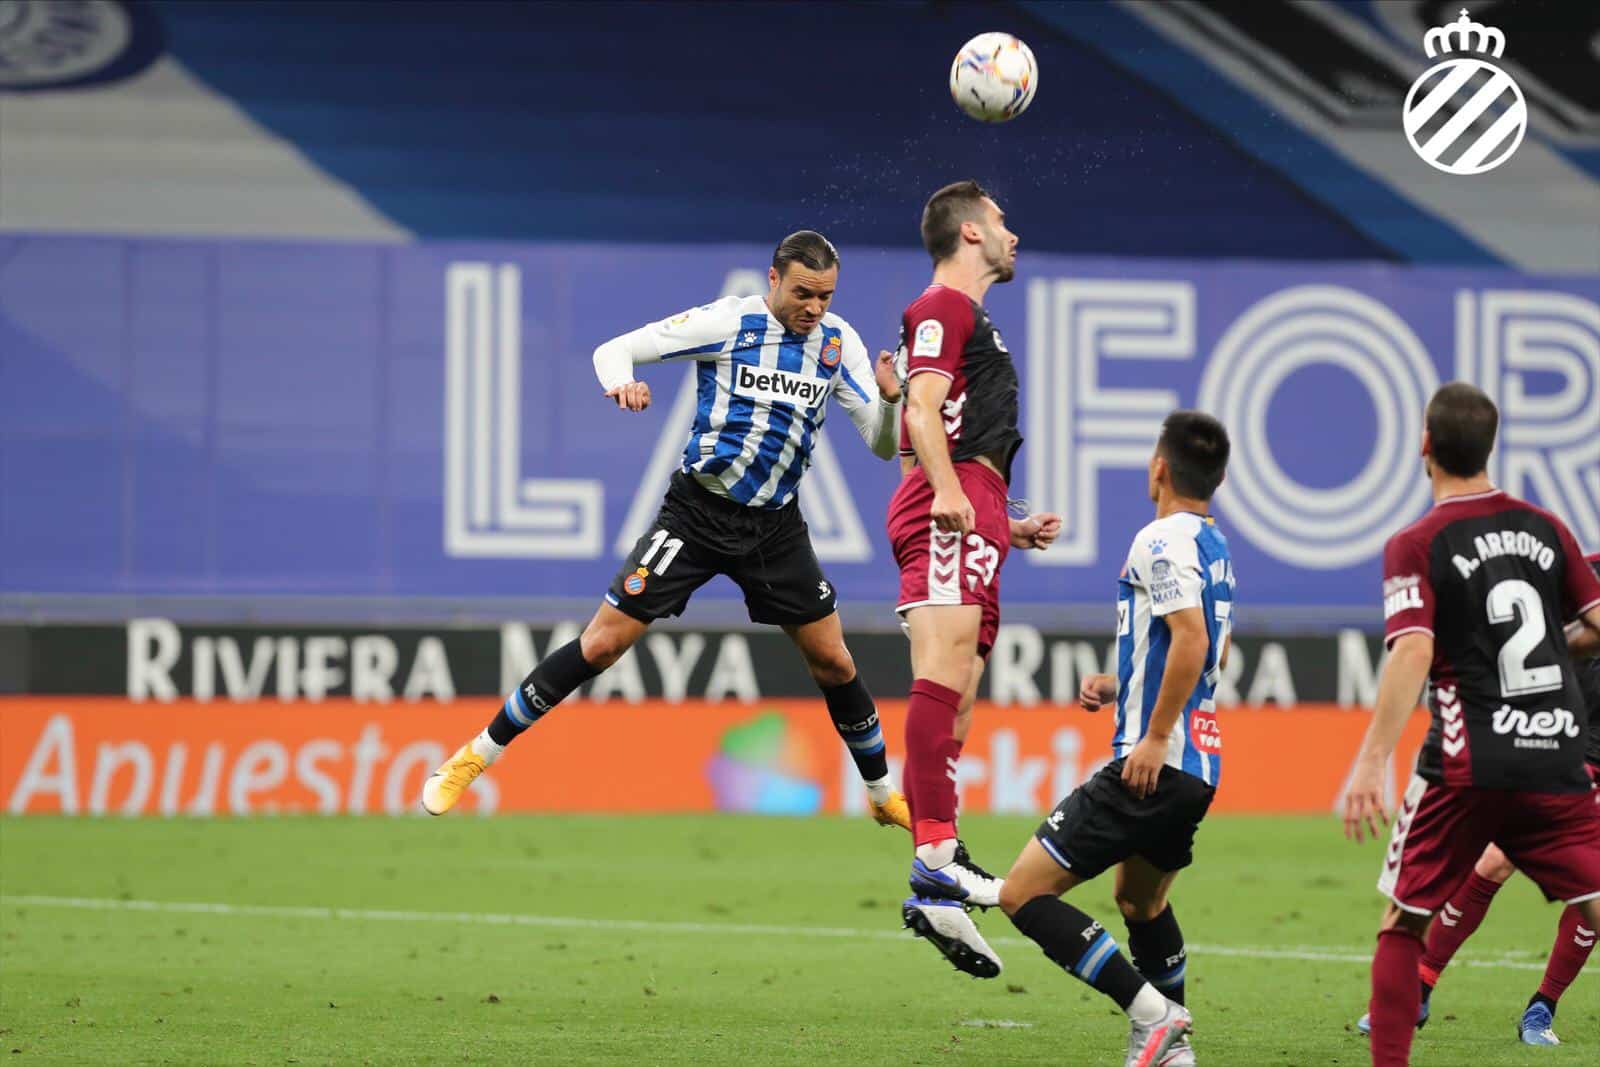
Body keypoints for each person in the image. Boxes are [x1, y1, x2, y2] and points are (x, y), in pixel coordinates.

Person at [422, 231, 913, 828]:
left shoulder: (839, 344)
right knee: (601, 645)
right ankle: (475, 757)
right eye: (804, 294)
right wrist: (620, 383)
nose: (814, 309)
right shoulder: (726, 323)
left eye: (826, 297)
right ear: (774, 279)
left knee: (834, 663)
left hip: (775, 528)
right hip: (697, 516)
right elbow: (615, 349)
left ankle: (883, 792)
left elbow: (883, 445)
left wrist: (892, 403)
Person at [1342, 383, 1600, 1067]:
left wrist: (1371, 760)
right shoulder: (1547, 528)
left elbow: (1416, 649)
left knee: (1403, 920)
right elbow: (1597, 624)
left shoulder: (1416, 541)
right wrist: (1555, 646)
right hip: (1555, 756)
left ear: (1424, 445)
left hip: (1466, 761)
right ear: (1492, 445)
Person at [983, 411, 1233, 1067]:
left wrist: (1150, 735)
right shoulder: (1216, 547)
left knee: (1022, 893)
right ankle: (1175, 1050)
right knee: (1140, 901)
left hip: (1158, 760)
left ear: (1159, 467)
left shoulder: (1159, 539)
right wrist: (1122, 684)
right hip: (1200, 764)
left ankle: (1153, 1014)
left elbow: (1193, 641)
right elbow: (1214, 658)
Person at [887, 180, 1061, 977]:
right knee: (943, 677)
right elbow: (919, 416)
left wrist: (1002, 516)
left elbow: (932, 414)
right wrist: (955, 490)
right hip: (950, 498)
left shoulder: (967, 319)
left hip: (975, 502)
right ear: (967, 231)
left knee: (957, 707)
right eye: (1001, 220)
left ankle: (936, 893)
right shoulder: (943, 309)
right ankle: (937, 854)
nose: (1013, 234)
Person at [1353, 550, 1600, 1047]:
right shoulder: (1584, 568)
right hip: (1557, 743)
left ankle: (1542, 1007)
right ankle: (1421, 984)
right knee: (1492, 863)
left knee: (1593, 883)